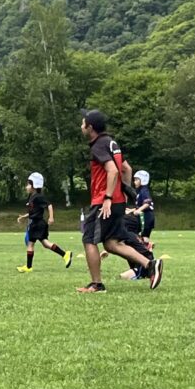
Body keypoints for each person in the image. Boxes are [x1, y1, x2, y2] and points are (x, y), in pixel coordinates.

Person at [77, 109, 163, 293]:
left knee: (89, 239)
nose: (81, 126)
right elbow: (126, 169)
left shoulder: (98, 145)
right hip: (117, 201)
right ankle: (150, 265)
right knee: (112, 243)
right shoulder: (111, 143)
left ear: (90, 127)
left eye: (83, 123)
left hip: (104, 202)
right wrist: (121, 194)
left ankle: (96, 284)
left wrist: (108, 197)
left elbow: (113, 170)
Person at [15, 173, 72, 273]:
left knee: (30, 244)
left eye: (28, 184)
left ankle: (28, 267)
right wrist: (24, 216)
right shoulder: (32, 197)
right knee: (45, 243)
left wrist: (51, 217)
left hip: (36, 224)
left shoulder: (38, 197)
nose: (26, 187)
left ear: (34, 185)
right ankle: (65, 254)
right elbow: (33, 212)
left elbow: (49, 205)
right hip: (38, 224)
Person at [132, 170, 155, 248]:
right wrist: (132, 210)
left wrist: (138, 210)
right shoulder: (139, 191)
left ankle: (147, 247)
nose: (134, 182)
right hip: (144, 216)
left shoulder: (144, 190)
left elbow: (147, 203)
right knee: (137, 234)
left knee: (144, 235)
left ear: (143, 180)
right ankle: (145, 245)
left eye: (136, 180)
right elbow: (139, 205)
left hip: (146, 216)